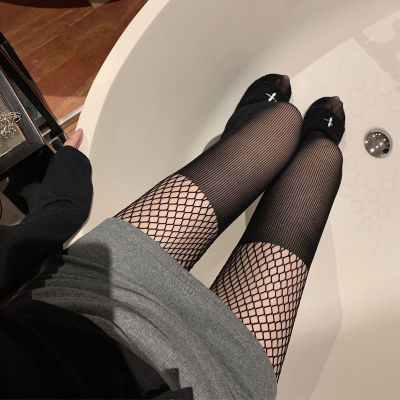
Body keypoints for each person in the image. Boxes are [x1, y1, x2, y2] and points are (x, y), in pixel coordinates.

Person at [0, 74, 344, 399]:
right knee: (318, 154)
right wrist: (62, 207)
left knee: (282, 123)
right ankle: (302, 137)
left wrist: (60, 210)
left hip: (87, 309)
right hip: (204, 378)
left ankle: (247, 132)